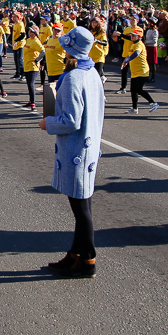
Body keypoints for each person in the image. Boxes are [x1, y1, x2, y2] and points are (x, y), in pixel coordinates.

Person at [40, 26, 105, 279]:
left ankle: (88, 260)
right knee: (82, 205)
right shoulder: (92, 73)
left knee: (81, 209)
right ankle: (75, 254)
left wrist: (48, 123)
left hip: (76, 148)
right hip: (89, 147)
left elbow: (70, 121)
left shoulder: (74, 77)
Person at [121, 27, 158, 114]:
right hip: (134, 71)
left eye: (134, 35)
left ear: (139, 37)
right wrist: (125, 61)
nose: (132, 36)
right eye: (132, 35)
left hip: (142, 70)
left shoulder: (139, 44)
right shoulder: (132, 44)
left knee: (139, 89)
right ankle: (134, 109)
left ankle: (153, 103)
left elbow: (136, 53)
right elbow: (129, 54)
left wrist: (127, 60)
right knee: (133, 90)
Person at [21, 24, 45, 110]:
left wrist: (37, 59)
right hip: (27, 65)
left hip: (33, 66)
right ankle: (30, 100)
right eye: (29, 30)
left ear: (35, 33)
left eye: (31, 31)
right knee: (28, 84)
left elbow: (43, 51)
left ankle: (33, 103)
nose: (29, 32)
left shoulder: (36, 42)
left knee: (31, 84)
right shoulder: (28, 40)